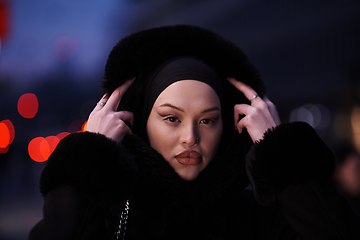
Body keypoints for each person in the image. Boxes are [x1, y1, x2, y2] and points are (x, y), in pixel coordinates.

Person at [29, 25, 360, 240]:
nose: (191, 137)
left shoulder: (261, 217)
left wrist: (280, 153)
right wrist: (91, 160)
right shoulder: (108, 212)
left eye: (207, 120)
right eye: (171, 118)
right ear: (139, 121)